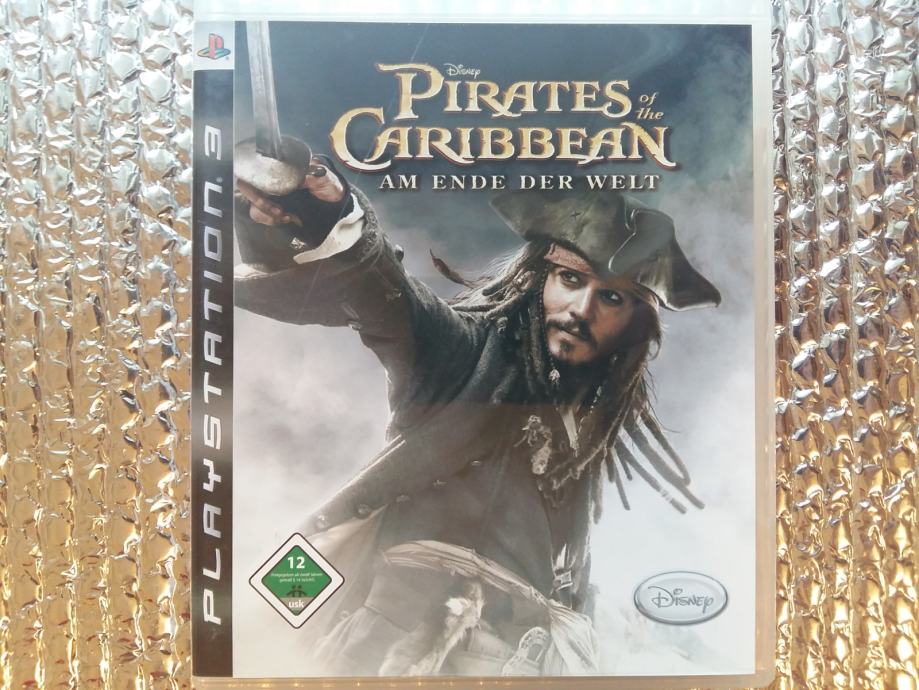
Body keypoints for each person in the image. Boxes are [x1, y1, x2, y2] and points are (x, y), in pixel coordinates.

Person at [233, 155, 721, 676]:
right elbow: (388, 297)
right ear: (539, 279)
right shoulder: (463, 355)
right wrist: (328, 212)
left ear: (634, 325)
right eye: (569, 279)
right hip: (399, 643)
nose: (582, 309)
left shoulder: (587, 423)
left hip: (521, 659)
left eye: (612, 297)